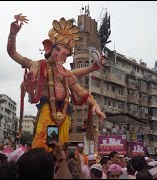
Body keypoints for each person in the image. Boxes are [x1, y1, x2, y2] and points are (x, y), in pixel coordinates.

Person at [7, 14, 106, 150]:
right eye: (58, 50)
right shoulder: (38, 65)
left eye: (65, 54)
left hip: (65, 115)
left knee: (60, 151)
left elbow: (80, 91)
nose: (61, 55)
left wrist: (95, 104)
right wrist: (12, 35)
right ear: (49, 47)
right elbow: (13, 53)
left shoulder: (66, 74)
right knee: (43, 148)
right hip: (48, 111)